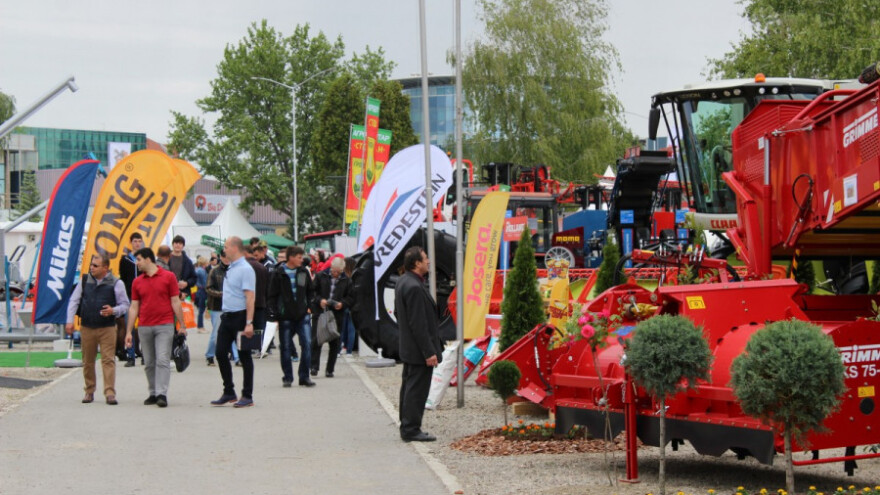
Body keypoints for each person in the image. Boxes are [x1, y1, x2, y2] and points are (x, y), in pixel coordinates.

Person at [124, 247, 186, 408]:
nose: (136, 263)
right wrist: (129, 331)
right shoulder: (137, 282)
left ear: (148, 259)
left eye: (138, 259)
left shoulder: (168, 277)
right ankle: (152, 392)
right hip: (144, 326)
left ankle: (162, 393)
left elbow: (175, 301)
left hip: (165, 325)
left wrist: (182, 325)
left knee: (163, 359)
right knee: (149, 362)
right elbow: (134, 307)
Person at [66, 253, 130, 405]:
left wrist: (113, 310)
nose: (91, 268)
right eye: (91, 265)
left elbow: (125, 305)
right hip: (87, 326)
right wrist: (69, 321)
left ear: (105, 268)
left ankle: (110, 393)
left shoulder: (116, 283)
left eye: (95, 266)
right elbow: (74, 300)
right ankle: (89, 390)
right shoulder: (84, 281)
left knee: (108, 360)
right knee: (88, 361)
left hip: (107, 327)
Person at [395, 246, 443, 442]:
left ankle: (406, 423)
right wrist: (429, 352)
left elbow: (402, 316)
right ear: (417, 263)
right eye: (425, 259)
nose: (429, 262)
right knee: (416, 389)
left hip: (409, 347)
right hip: (418, 350)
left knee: (409, 386)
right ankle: (411, 428)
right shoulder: (414, 287)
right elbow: (419, 324)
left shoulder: (403, 282)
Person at [210, 236, 257, 408]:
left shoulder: (245, 269)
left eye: (227, 247)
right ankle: (229, 391)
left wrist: (249, 322)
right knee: (220, 352)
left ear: (235, 248)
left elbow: (250, 297)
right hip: (227, 316)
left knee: (244, 356)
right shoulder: (231, 267)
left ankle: (247, 395)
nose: (224, 250)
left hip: (241, 316)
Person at [267, 245, 315, 388]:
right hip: (285, 316)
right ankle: (287, 377)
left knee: (307, 344)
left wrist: (310, 307)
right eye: (299, 257)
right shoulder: (278, 273)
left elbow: (310, 291)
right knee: (286, 347)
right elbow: (272, 296)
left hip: (302, 315)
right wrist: (274, 314)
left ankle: (304, 376)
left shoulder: (303, 272)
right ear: (291, 257)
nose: (302, 260)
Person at [310, 257, 352, 378]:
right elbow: (313, 292)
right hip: (320, 312)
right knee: (317, 340)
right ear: (331, 268)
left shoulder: (347, 280)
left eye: (338, 272)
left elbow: (351, 297)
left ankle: (330, 369)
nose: (335, 274)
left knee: (335, 342)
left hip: (336, 314)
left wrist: (342, 304)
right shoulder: (320, 276)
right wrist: (320, 300)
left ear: (342, 270)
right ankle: (314, 366)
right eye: (334, 271)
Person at [205, 250, 239, 366]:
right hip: (217, 306)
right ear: (220, 257)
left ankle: (237, 357)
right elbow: (208, 288)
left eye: (228, 256)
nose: (226, 258)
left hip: (231, 306)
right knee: (216, 333)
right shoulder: (214, 271)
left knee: (234, 332)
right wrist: (222, 294)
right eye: (224, 256)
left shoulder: (234, 270)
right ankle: (210, 355)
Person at [119, 232, 145, 367]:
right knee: (129, 325)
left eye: (139, 241)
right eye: (135, 241)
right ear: (131, 242)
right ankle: (130, 355)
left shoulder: (144, 259)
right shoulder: (125, 260)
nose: (137, 243)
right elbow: (123, 279)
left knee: (144, 325)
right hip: (130, 296)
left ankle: (145, 354)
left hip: (143, 297)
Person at [244, 245, 269, 357]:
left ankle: (249, 348)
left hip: (247, 302)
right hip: (261, 301)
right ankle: (260, 348)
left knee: (248, 324)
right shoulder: (262, 267)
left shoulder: (244, 266)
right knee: (260, 326)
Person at [341, 257, 358, 355]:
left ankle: (344, 346)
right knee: (351, 328)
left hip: (345, 304)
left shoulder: (345, 278)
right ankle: (349, 350)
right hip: (353, 305)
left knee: (344, 328)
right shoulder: (356, 278)